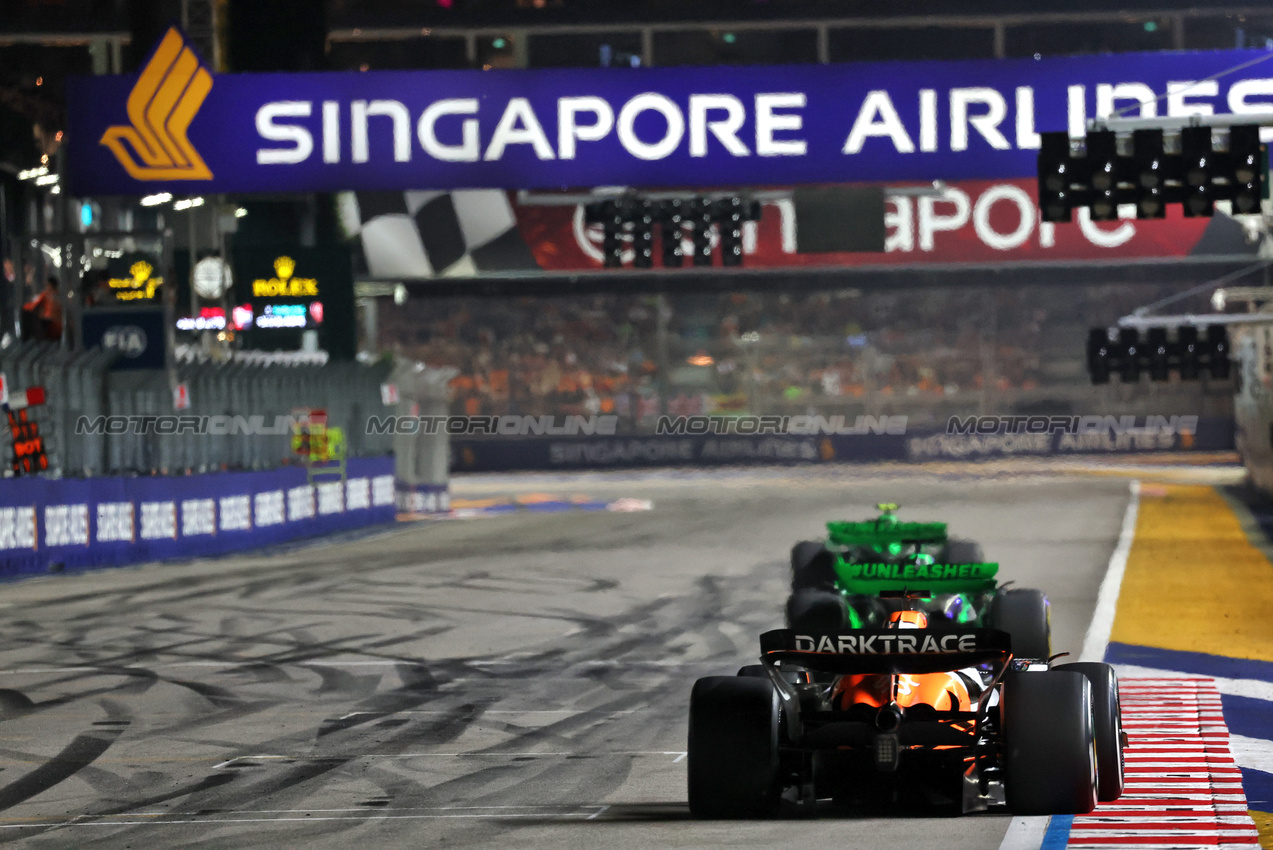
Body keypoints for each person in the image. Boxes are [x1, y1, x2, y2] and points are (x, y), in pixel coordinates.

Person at [22, 277, 63, 341]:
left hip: (50, 325)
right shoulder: (61, 295)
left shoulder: (46, 295)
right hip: (61, 326)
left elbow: (33, 305)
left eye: (47, 285)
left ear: (50, 285)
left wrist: (24, 307)